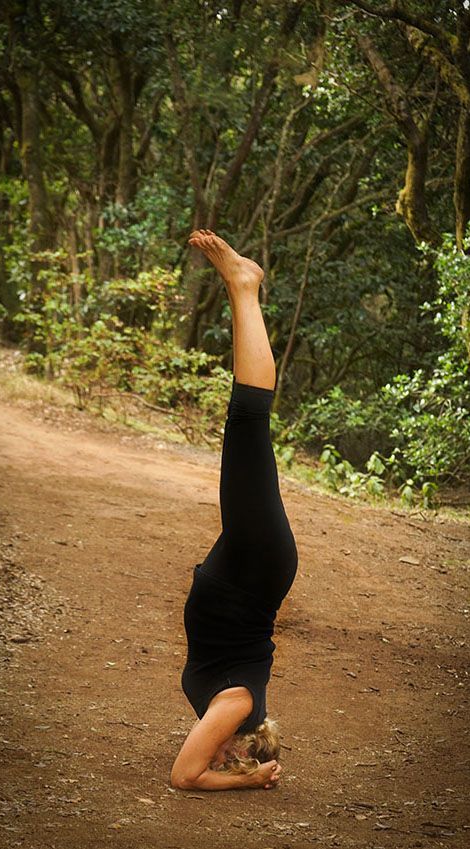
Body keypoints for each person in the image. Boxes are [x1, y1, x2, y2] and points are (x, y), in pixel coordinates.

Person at [170, 230, 299, 792]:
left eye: (221, 763)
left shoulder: (234, 708)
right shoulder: (236, 709)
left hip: (246, 570)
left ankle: (241, 293)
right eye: (229, 759)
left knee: (246, 427)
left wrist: (239, 775)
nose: (215, 757)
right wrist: (243, 781)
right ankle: (244, 289)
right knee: (248, 425)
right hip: (251, 567)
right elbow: (184, 778)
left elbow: (190, 770)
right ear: (245, 744)